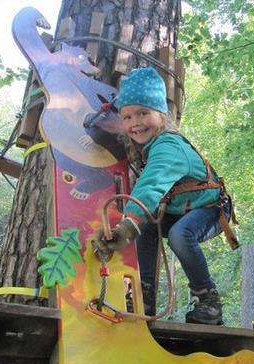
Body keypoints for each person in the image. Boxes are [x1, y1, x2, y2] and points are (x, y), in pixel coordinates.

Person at [95, 67, 235, 325]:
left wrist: (125, 228)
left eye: (143, 113)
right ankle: (143, 294)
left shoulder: (169, 145)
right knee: (146, 226)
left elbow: (150, 185)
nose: (135, 123)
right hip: (182, 209)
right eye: (127, 117)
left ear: (161, 114)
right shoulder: (148, 143)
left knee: (181, 235)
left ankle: (207, 300)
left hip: (211, 209)